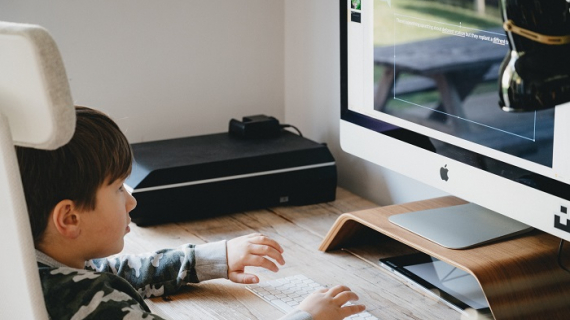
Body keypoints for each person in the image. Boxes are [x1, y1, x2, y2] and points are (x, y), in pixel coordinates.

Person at [16, 106, 366, 320]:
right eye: (118, 188)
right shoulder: (92, 302)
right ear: (69, 219)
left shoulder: (30, 270)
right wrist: (306, 316)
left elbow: (114, 272)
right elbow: (104, 286)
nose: (132, 201)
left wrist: (212, 258)